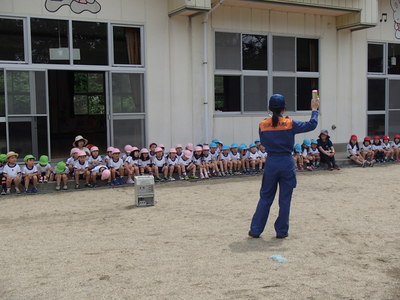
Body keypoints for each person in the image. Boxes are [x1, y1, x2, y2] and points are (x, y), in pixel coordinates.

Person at [249, 93, 319, 239]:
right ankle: (281, 231)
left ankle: (256, 230)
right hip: (286, 162)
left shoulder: (262, 124)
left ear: (269, 108)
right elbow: (312, 125)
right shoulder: (290, 123)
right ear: (284, 109)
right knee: (285, 199)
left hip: (271, 162)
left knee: (265, 197)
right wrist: (314, 109)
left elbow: (263, 141)